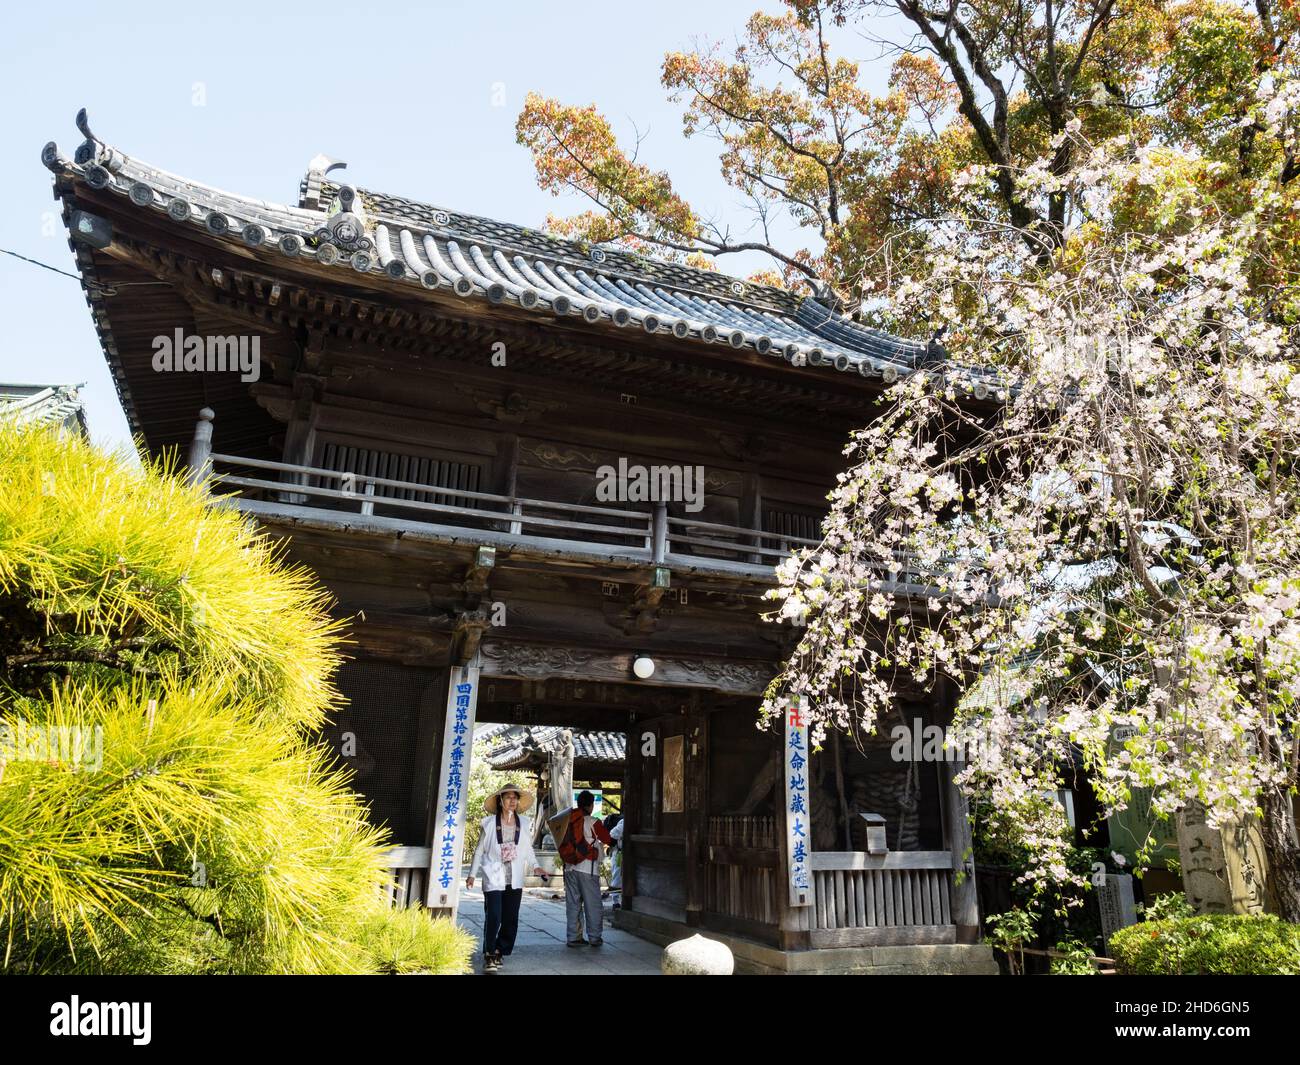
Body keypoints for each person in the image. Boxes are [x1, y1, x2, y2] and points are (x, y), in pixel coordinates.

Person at [466, 783, 548, 972]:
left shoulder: (525, 823)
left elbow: (527, 850)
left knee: (510, 918)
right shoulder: (488, 823)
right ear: (500, 801)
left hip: (515, 876)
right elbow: (479, 851)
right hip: (493, 874)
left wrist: (536, 867)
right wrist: (471, 875)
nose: (512, 801)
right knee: (494, 915)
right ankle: (488, 954)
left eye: (515, 797)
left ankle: (499, 951)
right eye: (508, 797)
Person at [557, 790, 614, 947]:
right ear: (591, 805)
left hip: (569, 867)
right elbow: (608, 839)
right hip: (587, 869)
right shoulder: (593, 822)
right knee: (593, 904)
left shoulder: (569, 821)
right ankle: (595, 937)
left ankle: (573, 937)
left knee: (573, 903)